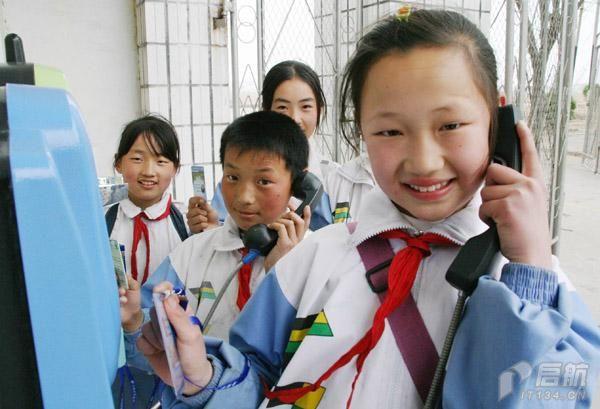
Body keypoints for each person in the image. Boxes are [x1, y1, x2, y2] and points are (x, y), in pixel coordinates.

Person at [138, 9, 600, 408]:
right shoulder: (313, 259)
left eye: (451, 125)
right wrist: (203, 377)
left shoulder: (535, 283)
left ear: (498, 121)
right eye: (389, 132)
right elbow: (255, 372)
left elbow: (557, 395)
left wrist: (529, 276)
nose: (423, 161)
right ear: (360, 129)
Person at [121, 111, 312, 405]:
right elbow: (152, 356)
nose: (244, 197)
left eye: (263, 181)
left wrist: (281, 276)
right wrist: (134, 321)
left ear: (298, 186)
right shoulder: (191, 253)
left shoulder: (317, 261)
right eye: (232, 177)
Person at [107, 114, 200, 407]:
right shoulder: (101, 220)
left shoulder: (187, 224)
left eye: (161, 161)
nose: (149, 171)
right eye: (137, 158)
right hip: (115, 349)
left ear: (176, 168)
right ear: (118, 164)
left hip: (170, 348)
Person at [189, 60, 336, 232]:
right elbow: (222, 236)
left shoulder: (335, 178)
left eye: (306, 107)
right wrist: (210, 228)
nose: (294, 118)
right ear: (266, 110)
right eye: (282, 107)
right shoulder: (236, 176)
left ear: (320, 111)